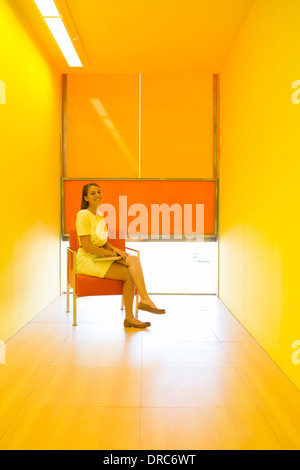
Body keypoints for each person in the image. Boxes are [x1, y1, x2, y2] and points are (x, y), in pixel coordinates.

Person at [76, 183, 166, 329]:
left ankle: (143, 301)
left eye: (98, 192)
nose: (97, 195)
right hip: (86, 260)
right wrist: (111, 254)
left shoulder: (98, 215)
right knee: (128, 273)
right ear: (86, 197)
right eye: (92, 193)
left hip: (99, 255)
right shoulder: (83, 215)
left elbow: (103, 241)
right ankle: (134, 312)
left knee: (134, 260)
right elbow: (86, 246)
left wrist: (115, 250)